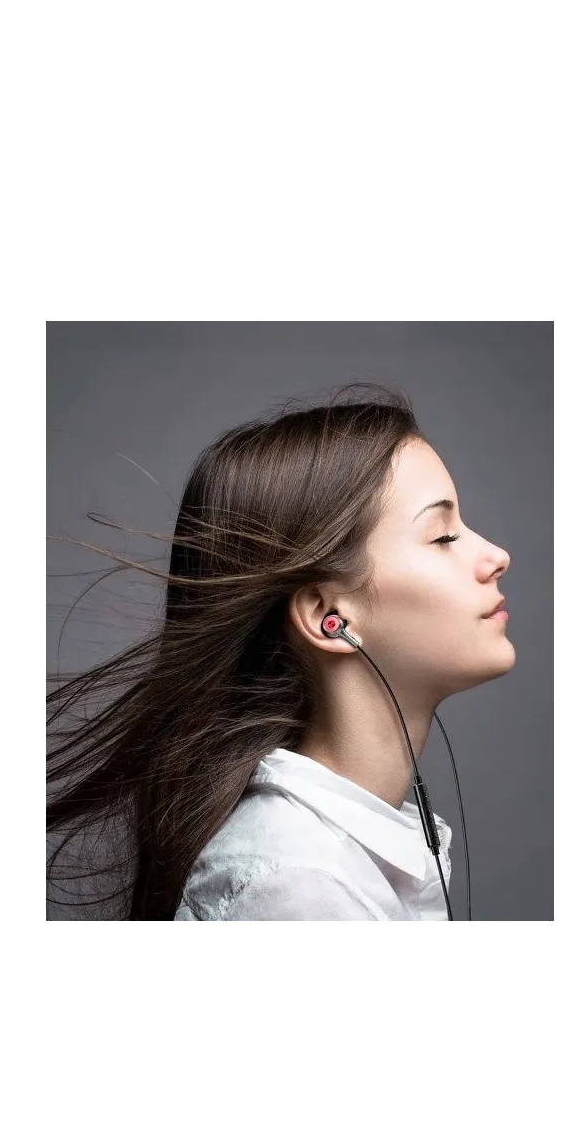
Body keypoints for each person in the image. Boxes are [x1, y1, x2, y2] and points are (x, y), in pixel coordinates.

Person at [46, 382, 513, 924]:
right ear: (327, 616)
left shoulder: (329, 864)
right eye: (442, 536)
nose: (496, 556)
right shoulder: (299, 888)